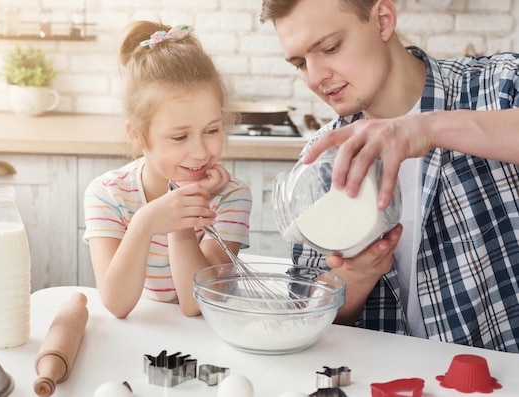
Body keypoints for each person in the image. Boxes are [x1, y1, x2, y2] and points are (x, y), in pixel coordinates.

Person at [261, 0, 519, 352]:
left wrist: (429, 127)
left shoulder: (497, 87)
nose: (315, 77)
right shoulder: (324, 158)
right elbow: (310, 320)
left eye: (330, 48)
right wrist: (355, 276)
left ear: (383, 20)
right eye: (300, 63)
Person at [83, 21, 252, 319]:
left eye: (212, 130)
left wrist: (181, 219)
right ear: (138, 135)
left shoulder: (231, 195)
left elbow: (195, 304)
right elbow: (117, 304)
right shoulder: (108, 194)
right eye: (179, 137)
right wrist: (144, 222)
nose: (200, 151)